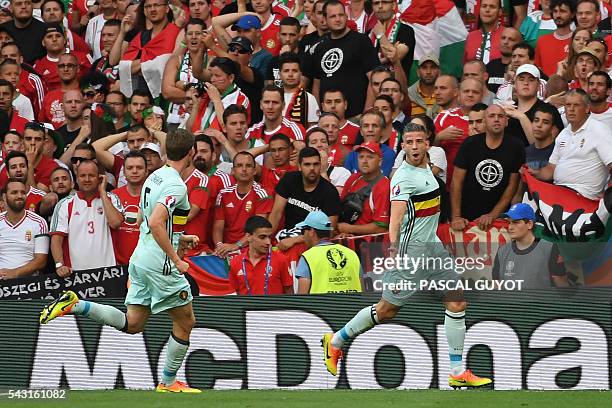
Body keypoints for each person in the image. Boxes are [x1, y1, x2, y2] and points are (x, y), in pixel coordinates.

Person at [321, 123, 492, 388]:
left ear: (427, 145)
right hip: (410, 252)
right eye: (409, 142)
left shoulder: (427, 169)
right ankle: (336, 341)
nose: (414, 146)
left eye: (418, 141)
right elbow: (395, 220)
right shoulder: (403, 177)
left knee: (457, 303)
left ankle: (457, 371)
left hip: (433, 249)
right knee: (387, 310)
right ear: (403, 146)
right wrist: (394, 252)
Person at [40, 129, 202, 394]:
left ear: (164, 151)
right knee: (186, 322)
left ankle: (77, 305)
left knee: (133, 323)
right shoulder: (175, 184)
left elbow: (142, 219)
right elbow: (157, 221)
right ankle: (169, 382)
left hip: (141, 257)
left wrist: (179, 239)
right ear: (192, 152)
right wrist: (176, 257)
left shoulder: (155, 176)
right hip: (160, 263)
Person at [451, 104, 525, 231]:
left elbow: (512, 186)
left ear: (506, 121)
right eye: (491, 116)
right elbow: (456, 183)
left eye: (501, 116)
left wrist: (493, 215)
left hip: (499, 219)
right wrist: (456, 217)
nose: (496, 119)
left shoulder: (516, 146)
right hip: (466, 217)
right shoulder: (470, 144)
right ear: (484, 121)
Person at [532, 89, 612, 200]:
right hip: (558, 192)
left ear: (587, 108)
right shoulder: (563, 134)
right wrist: (532, 172)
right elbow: (550, 170)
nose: (571, 109)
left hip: (584, 198)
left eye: (576, 105)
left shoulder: (599, 130)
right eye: (568, 105)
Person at [49, 160, 124, 271]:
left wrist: (103, 192)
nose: (87, 179)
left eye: (91, 175)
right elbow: (56, 239)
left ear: (99, 178)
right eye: (83, 176)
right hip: (76, 274)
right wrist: (59, 265)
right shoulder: (64, 204)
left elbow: (116, 223)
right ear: (77, 179)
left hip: (109, 272)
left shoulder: (111, 198)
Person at [310, 0, 379, 118]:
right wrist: (317, 115)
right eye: (333, 16)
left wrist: (366, 113)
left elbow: (374, 79)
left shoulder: (361, 41)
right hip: (327, 119)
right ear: (325, 19)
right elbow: (317, 84)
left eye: (341, 15)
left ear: (346, 16)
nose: (338, 19)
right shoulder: (320, 46)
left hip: (356, 117)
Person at [269, 147, 341, 251]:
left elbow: (329, 231)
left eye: (315, 164)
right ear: (299, 166)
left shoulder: (330, 192)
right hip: (287, 236)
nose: (312, 168)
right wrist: (266, 237)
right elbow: (276, 213)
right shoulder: (289, 179)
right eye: (307, 164)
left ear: (320, 165)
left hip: (314, 243)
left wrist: (295, 240)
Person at [492, 203, 568, 288]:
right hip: (508, 300)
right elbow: (496, 286)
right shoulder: (502, 251)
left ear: (529, 224)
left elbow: (562, 286)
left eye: (516, 222)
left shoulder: (549, 248)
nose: (510, 227)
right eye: (509, 222)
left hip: (539, 300)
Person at [213, 152, 273, 258]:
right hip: (227, 249)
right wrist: (220, 246)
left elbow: (257, 228)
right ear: (233, 171)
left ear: (255, 171)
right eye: (239, 165)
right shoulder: (223, 194)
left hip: (251, 249)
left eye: (248, 166)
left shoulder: (263, 193)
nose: (244, 169)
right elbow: (218, 227)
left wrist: (236, 246)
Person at [295, 210, 361, 294]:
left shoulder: (308, 257)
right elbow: (361, 290)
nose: (303, 235)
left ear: (311, 232)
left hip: (321, 307)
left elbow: (302, 297)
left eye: (303, 231)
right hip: (352, 307)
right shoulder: (351, 254)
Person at [434, 77, 483, 188]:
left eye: (475, 92)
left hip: (478, 185)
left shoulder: (490, 117)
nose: (470, 95)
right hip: (447, 184)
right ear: (459, 94)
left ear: (482, 95)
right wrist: (439, 137)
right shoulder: (443, 116)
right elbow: (428, 148)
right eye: (466, 91)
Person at [228, 215, 293, 295]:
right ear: (248, 237)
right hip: (248, 307)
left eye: (269, 237)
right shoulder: (235, 262)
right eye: (262, 237)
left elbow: (289, 293)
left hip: (275, 308)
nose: (268, 242)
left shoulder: (281, 260)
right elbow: (236, 293)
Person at [337, 142, 389, 237]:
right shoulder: (353, 179)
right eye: (361, 157)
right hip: (346, 235)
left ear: (380, 161)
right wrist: (342, 232)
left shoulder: (384, 186)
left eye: (370, 157)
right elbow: (341, 208)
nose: (364, 161)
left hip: (370, 243)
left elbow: (381, 227)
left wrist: (349, 229)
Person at [0, 178, 49, 279]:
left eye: (23, 192)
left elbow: (41, 261)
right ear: (4, 197)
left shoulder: (39, 222)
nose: (19, 196)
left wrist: (15, 273)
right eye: (14, 192)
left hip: (29, 284)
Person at [111, 150, 147, 266]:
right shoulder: (112, 196)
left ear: (146, 171)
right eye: (130, 168)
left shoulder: (155, 197)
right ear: (124, 172)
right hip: (116, 265)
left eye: (139, 167)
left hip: (146, 265)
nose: (135, 171)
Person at [343, 110, 395, 177]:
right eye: (366, 126)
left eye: (375, 126)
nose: (370, 129)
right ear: (361, 131)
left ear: (382, 130)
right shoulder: (353, 154)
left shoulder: (388, 154)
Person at [534, 0, 576, 77]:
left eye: (563, 11)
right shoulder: (542, 40)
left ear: (572, 14)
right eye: (555, 11)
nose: (558, 15)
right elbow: (538, 69)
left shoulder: (577, 40)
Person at [277, 52, 319, 128]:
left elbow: (312, 129)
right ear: (279, 75)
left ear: (300, 74)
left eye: (294, 71)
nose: (290, 74)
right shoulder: (273, 97)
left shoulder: (309, 98)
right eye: (286, 71)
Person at [464, 0, 504, 64]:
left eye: (492, 7)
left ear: (500, 12)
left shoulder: (507, 35)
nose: (487, 10)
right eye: (484, 6)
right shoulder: (470, 37)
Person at [486, 27, 522, 93]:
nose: (505, 42)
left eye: (511, 39)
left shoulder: (525, 68)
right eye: (503, 38)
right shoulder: (490, 66)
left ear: (519, 44)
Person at [526, 103, 558, 170]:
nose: (539, 125)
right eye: (536, 120)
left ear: (553, 129)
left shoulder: (558, 152)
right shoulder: (524, 152)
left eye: (545, 122)